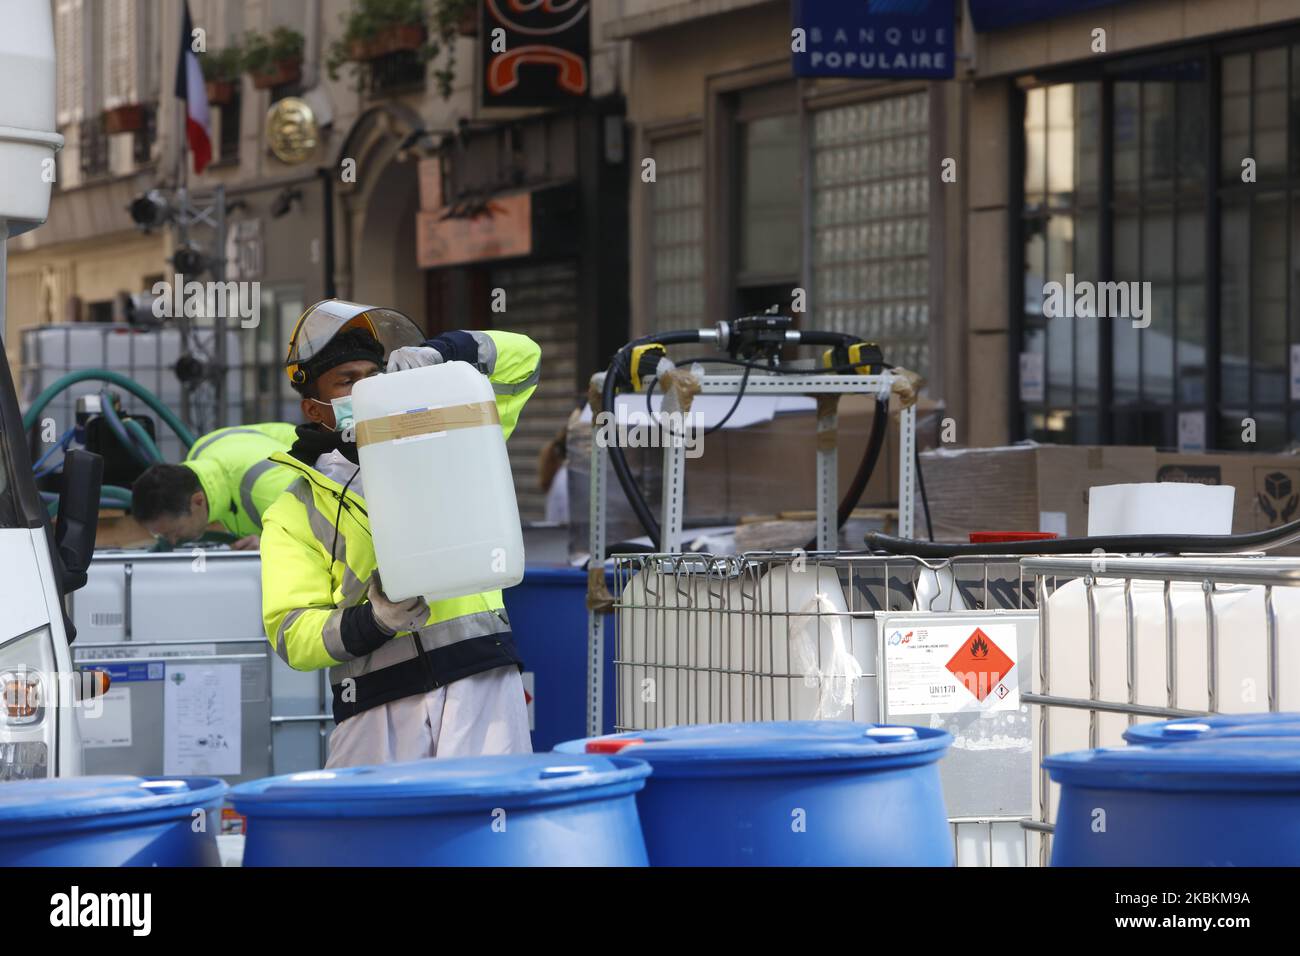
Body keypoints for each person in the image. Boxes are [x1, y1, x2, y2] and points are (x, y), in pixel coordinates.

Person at [259, 299, 541, 767]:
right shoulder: (294, 508)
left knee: (487, 828)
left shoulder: (450, 434)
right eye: (348, 380)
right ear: (315, 408)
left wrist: (442, 352)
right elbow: (291, 632)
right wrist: (375, 621)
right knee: (379, 837)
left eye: (374, 374)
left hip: (482, 685)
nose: (367, 388)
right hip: (377, 706)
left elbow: (524, 360)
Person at [131, 422, 299, 549]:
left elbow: (323, 527)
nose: (173, 541)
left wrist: (274, 546)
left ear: (198, 501)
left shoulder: (267, 490)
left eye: (174, 532)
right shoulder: (199, 454)